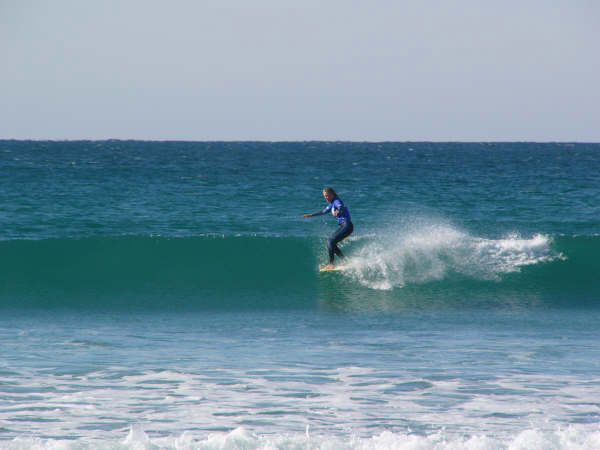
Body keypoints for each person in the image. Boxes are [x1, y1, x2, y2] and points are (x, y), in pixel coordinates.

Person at [303, 187, 353, 269]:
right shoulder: (331, 204)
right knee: (331, 243)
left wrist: (338, 211)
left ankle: (331, 264)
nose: (326, 197)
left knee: (330, 241)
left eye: (327, 195)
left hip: (347, 225)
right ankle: (345, 261)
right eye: (324, 196)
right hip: (346, 226)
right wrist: (311, 215)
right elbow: (323, 211)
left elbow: (341, 207)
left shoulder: (337, 201)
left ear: (332, 194)